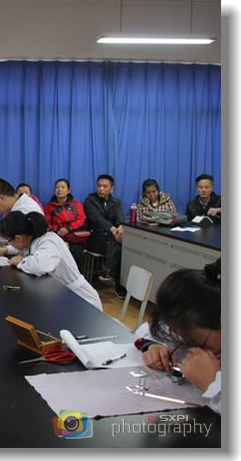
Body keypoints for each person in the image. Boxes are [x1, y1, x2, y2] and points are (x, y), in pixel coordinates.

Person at [133, 258, 221, 414]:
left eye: (195, 342)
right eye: (181, 337)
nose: (189, 346)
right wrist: (153, 346)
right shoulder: (195, 321)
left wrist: (211, 384)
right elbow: (148, 330)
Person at [0, 211, 102, 311]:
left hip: (82, 300)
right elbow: (23, 248)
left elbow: (39, 266)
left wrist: (20, 262)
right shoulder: (33, 239)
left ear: (18, 238)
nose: (9, 244)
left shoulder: (49, 241)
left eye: (8, 241)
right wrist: (6, 250)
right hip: (63, 295)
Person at [84, 174, 126, 298]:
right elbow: (97, 218)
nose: (101, 189)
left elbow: (120, 217)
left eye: (105, 186)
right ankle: (108, 272)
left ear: (111, 189)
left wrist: (120, 228)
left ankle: (111, 274)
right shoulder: (90, 201)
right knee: (117, 246)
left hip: (113, 237)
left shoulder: (116, 202)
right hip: (96, 237)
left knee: (123, 247)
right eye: (99, 186)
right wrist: (112, 229)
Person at [43, 178, 89, 271]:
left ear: (68, 190)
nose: (60, 189)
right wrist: (57, 230)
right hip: (56, 237)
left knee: (76, 254)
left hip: (73, 237)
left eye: (63, 187)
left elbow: (81, 220)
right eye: (57, 187)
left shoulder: (76, 204)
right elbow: (46, 223)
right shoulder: (49, 207)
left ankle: (77, 277)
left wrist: (68, 229)